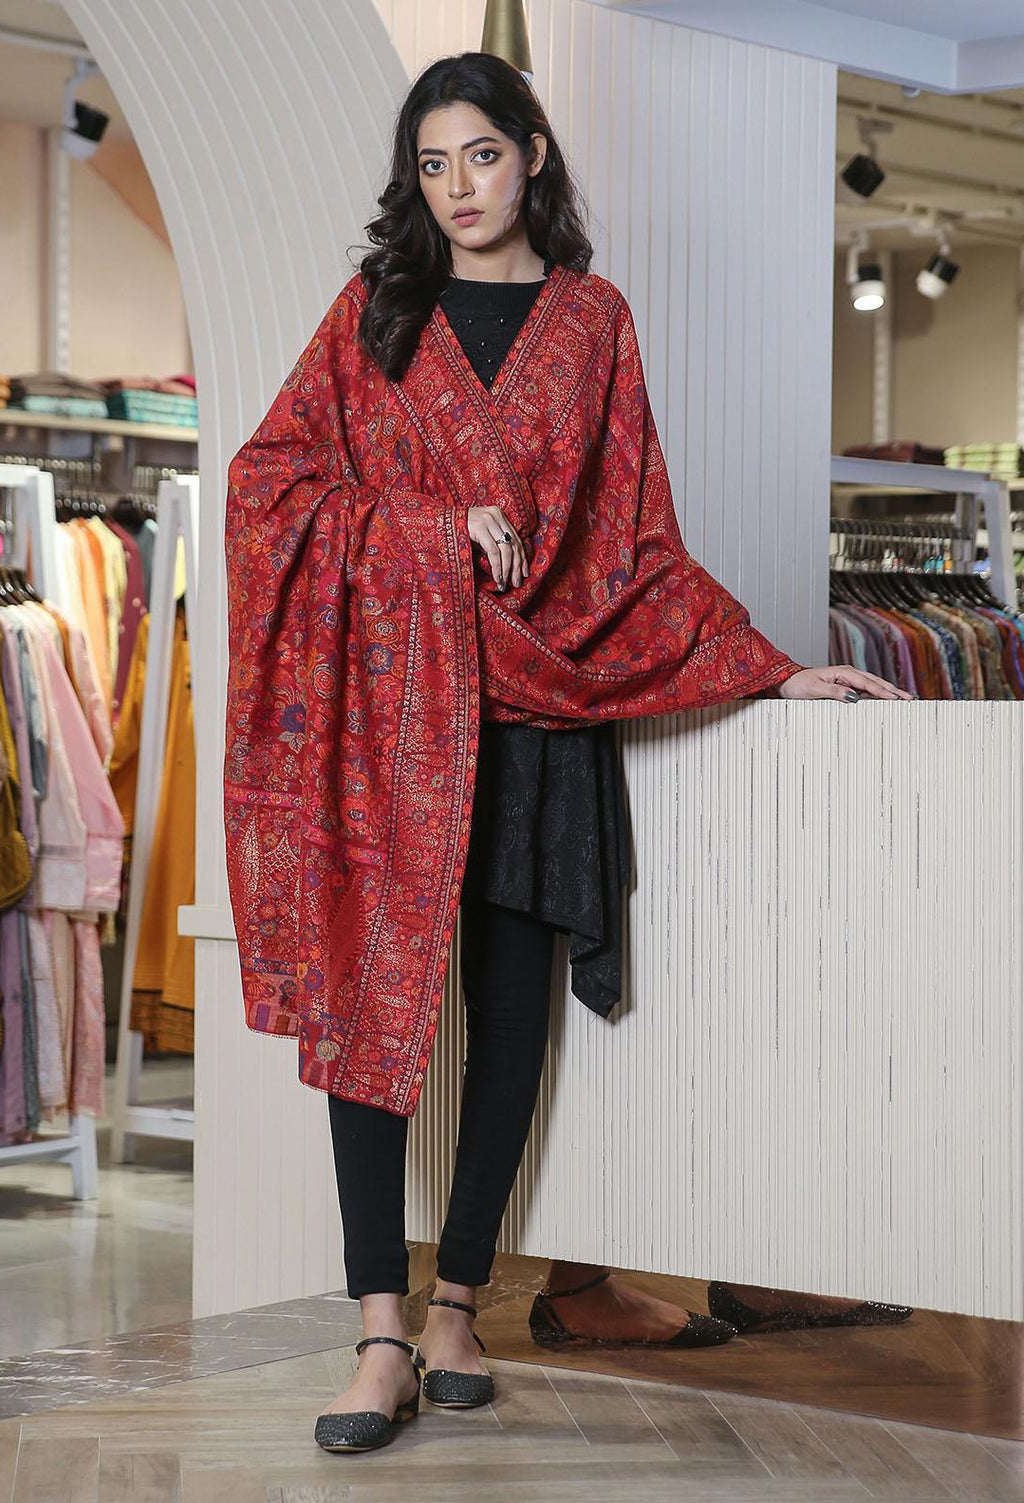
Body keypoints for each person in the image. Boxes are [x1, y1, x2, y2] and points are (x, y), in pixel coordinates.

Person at [223, 52, 912, 1456]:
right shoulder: (374, 314)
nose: (458, 189)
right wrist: (430, 532)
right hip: (391, 721)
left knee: (509, 1020)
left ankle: (458, 1309)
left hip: (538, 723)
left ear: (532, 154)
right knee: (368, 1009)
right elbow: (267, 486)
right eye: (432, 165)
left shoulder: (592, 321)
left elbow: (634, 537)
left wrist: (767, 665)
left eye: (480, 156)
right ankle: (378, 1330)